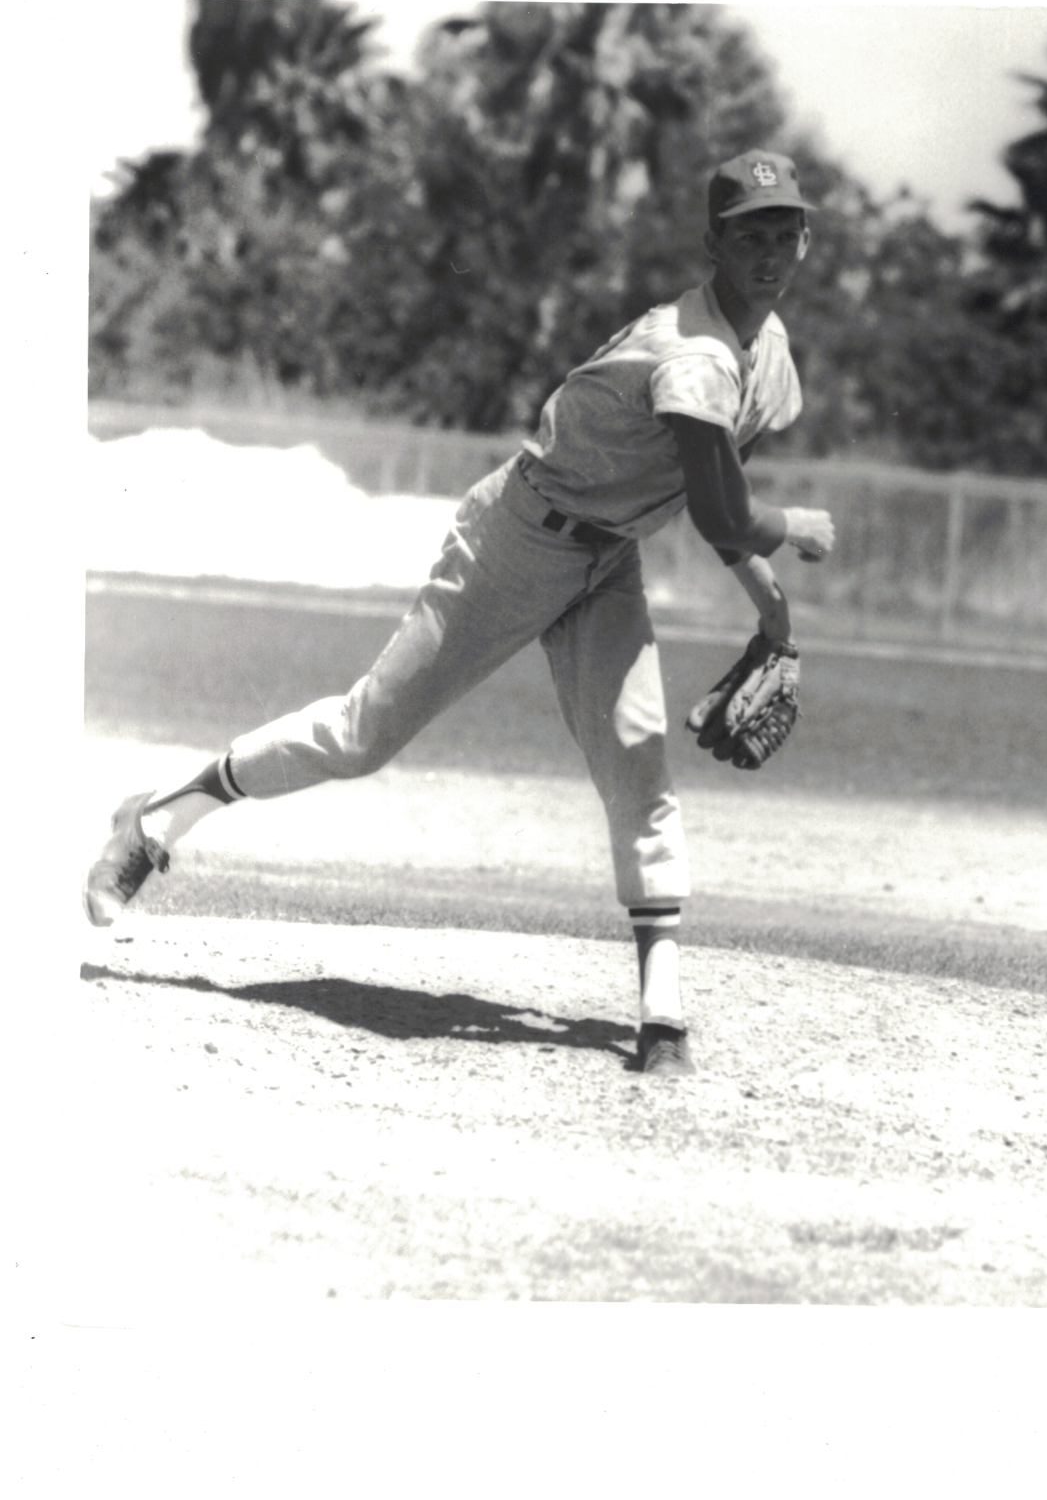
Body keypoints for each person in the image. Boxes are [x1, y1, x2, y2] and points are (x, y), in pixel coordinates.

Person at [83, 148, 836, 1077]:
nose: (768, 249)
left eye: (783, 230)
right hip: (518, 539)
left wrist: (770, 605)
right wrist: (789, 529)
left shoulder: (768, 354)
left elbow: (709, 487)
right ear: (711, 241)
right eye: (747, 231)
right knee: (366, 734)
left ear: (804, 239)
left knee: (641, 764)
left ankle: (661, 1017)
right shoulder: (692, 352)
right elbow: (729, 512)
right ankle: (160, 821)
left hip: (608, 559)